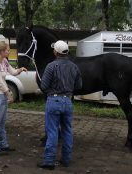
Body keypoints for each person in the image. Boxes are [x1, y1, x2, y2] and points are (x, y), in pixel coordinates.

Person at [37, 40, 82, 170]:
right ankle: (66, 160)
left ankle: (49, 161)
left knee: (52, 132)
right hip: (68, 101)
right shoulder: (74, 67)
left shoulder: (51, 66)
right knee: (67, 131)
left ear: (55, 52)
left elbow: (44, 86)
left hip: (53, 101)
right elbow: (79, 86)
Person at [0, 42, 28, 156]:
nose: (9, 51)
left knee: (2, 121)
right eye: (8, 50)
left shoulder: (4, 61)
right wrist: (9, 94)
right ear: (2, 52)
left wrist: (21, 69)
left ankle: (3, 144)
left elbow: (13, 72)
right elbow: (0, 83)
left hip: (2, 94)